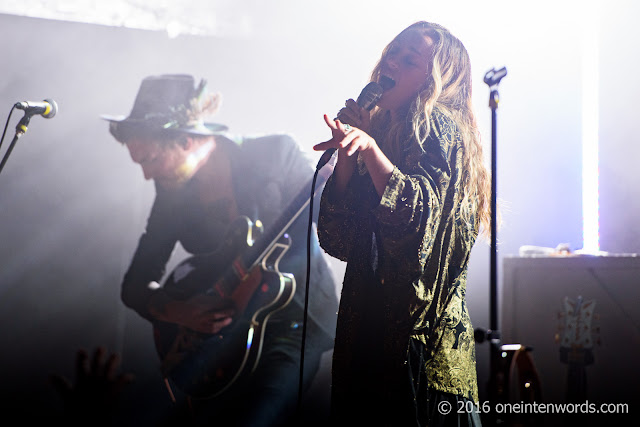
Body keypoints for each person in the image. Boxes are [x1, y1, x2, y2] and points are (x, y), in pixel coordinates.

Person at [102, 74, 339, 426]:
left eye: (150, 159)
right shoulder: (172, 194)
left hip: (290, 322)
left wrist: (343, 176)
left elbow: (331, 219)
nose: (147, 176)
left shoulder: (275, 154)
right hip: (218, 342)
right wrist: (179, 311)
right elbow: (135, 284)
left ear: (184, 141)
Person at [313, 21, 490, 426]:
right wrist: (350, 151)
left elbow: (418, 224)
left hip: (421, 354)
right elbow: (341, 238)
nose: (391, 61)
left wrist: (370, 149)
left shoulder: (439, 126)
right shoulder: (386, 133)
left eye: (409, 59)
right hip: (371, 342)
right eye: (392, 52)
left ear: (437, 81)